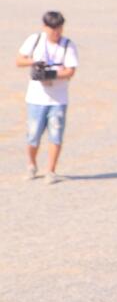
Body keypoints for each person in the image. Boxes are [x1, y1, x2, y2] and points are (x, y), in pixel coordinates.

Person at [17, 11, 78, 183]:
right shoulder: (35, 40)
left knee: (56, 134)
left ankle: (51, 170)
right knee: (33, 136)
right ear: (45, 27)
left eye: (59, 28)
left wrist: (50, 74)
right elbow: (18, 60)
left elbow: (71, 70)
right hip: (36, 99)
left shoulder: (68, 45)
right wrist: (34, 63)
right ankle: (31, 164)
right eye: (53, 29)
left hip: (58, 99)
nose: (56, 33)